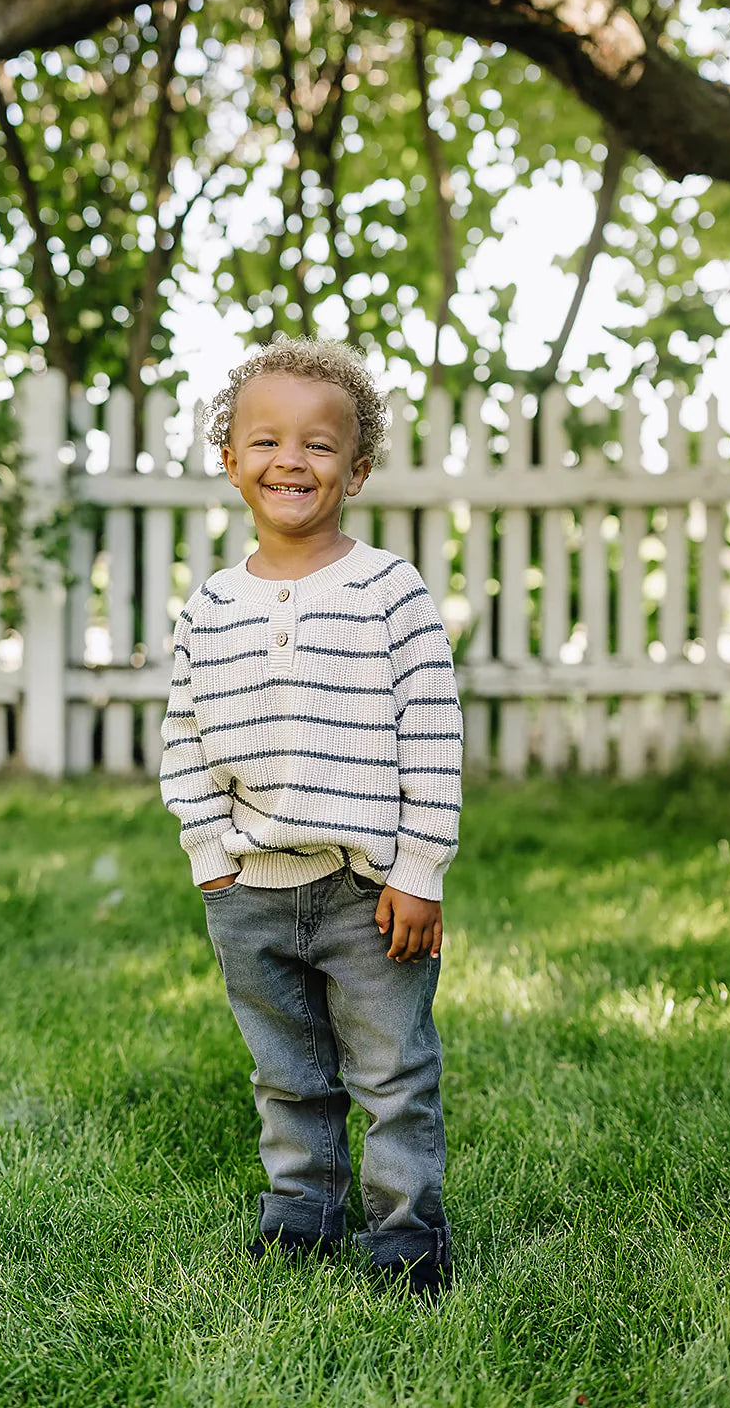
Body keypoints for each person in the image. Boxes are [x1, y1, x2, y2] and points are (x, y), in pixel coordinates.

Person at [159, 337, 463, 1299]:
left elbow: (433, 736)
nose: (291, 460)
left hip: (369, 891)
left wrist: (419, 871)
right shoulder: (209, 606)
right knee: (287, 1072)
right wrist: (209, 853)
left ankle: (408, 1241)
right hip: (249, 888)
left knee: (391, 1076)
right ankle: (301, 1219)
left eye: (319, 446)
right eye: (265, 440)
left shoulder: (388, 590)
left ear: (358, 468)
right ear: (230, 460)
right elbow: (183, 733)